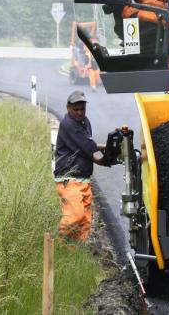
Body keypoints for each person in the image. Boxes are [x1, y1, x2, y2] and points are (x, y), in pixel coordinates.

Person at [53, 90, 105, 241]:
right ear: (68, 108)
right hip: (69, 179)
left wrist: (102, 156)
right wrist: (106, 153)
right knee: (75, 216)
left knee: (84, 222)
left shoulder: (85, 122)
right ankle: (59, 244)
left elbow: (85, 148)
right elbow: (89, 148)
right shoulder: (68, 124)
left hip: (83, 179)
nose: (79, 113)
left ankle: (75, 250)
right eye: (75, 109)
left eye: (82, 109)